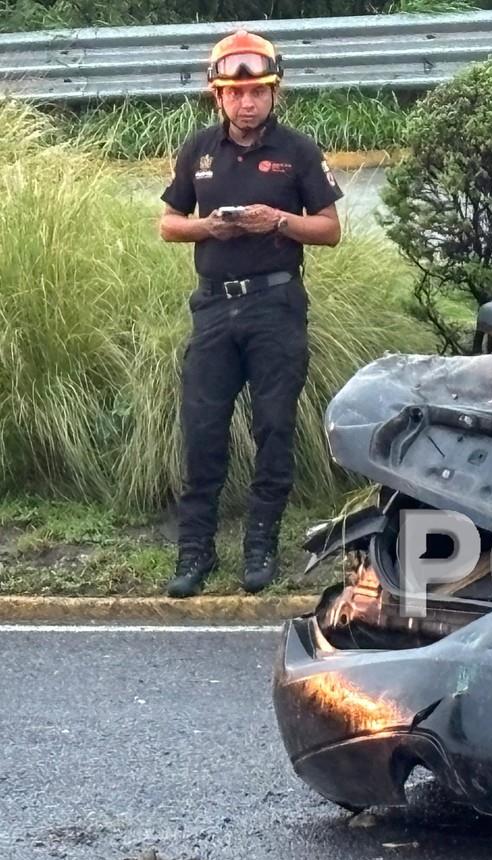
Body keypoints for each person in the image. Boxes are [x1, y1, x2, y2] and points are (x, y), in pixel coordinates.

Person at [159, 29, 343, 598]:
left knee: (274, 427)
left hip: (276, 305)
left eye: (258, 92)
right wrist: (207, 226)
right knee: (203, 430)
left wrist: (278, 220)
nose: (246, 102)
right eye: (234, 93)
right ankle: (195, 553)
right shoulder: (199, 151)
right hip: (214, 306)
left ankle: (259, 547)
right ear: (217, 95)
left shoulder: (299, 151)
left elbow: (331, 230)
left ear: (273, 92)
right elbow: (168, 223)